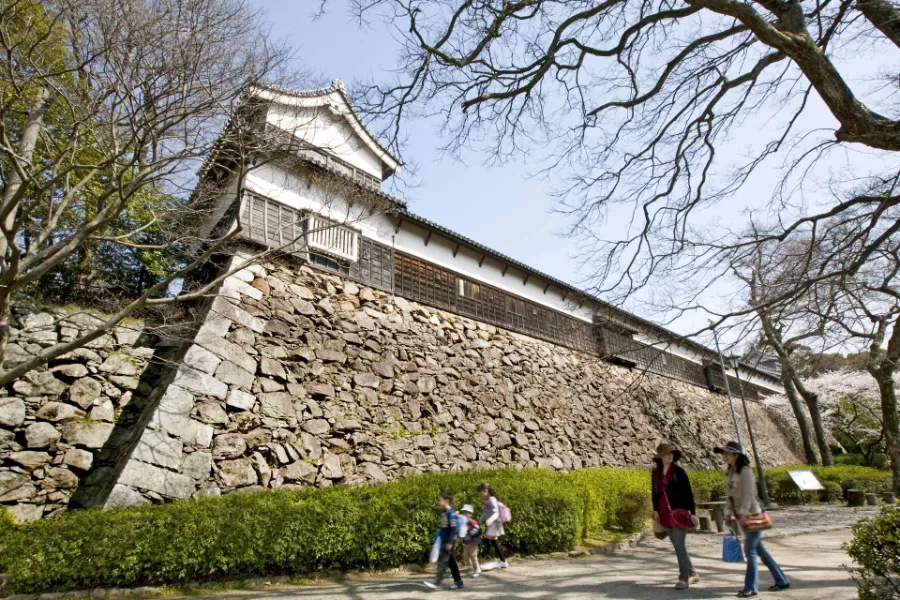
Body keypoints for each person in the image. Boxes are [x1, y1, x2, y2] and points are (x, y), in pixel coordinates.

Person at [715, 441, 790, 598]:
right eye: (723, 453)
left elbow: (749, 494)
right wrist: (728, 514)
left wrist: (742, 513)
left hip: (753, 516)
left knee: (750, 552)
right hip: (741, 516)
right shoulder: (730, 472)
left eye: (727, 453)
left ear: (736, 455)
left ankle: (751, 588)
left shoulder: (746, 471)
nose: (724, 456)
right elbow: (730, 496)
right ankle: (781, 580)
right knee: (760, 551)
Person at [651, 442, 700, 590]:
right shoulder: (656, 473)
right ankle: (692, 573)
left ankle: (684, 578)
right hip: (664, 513)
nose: (670, 455)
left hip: (679, 513)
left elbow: (688, 493)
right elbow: (655, 493)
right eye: (667, 453)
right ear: (660, 457)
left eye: (671, 453)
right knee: (678, 546)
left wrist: (693, 513)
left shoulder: (679, 472)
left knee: (679, 545)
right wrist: (655, 510)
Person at [427, 491, 464, 590]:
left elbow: (454, 528)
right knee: (451, 563)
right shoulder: (444, 513)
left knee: (443, 562)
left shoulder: (451, 514)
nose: (438, 502)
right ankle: (459, 581)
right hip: (444, 542)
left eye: (440, 500)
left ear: (446, 501)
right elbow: (443, 528)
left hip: (448, 542)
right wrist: (438, 537)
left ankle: (437, 582)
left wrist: (450, 542)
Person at [478, 483, 508, 569]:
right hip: (492, 523)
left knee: (488, 540)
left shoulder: (492, 499)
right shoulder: (486, 501)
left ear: (486, 491)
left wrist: (490, 520)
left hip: (495, 523)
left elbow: (496, 512)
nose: (480, 494)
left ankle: (495, 560)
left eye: (481, 492)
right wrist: (479, 522)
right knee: (491, 541)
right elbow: (485, 513)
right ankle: (501, 561)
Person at [458, 504, 482, 578]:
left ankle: (478, 570)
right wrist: (461, 538)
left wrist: (471, 534)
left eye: (467, 513)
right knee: (465, 556)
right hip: (467, 543)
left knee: (473, 556)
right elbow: (462, 532)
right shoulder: (463, 522)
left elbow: (477, 528)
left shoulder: (472, 521)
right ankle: (474, 568)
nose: (465, 514)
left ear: (470, 514)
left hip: (473, 542)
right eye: (464, 513)